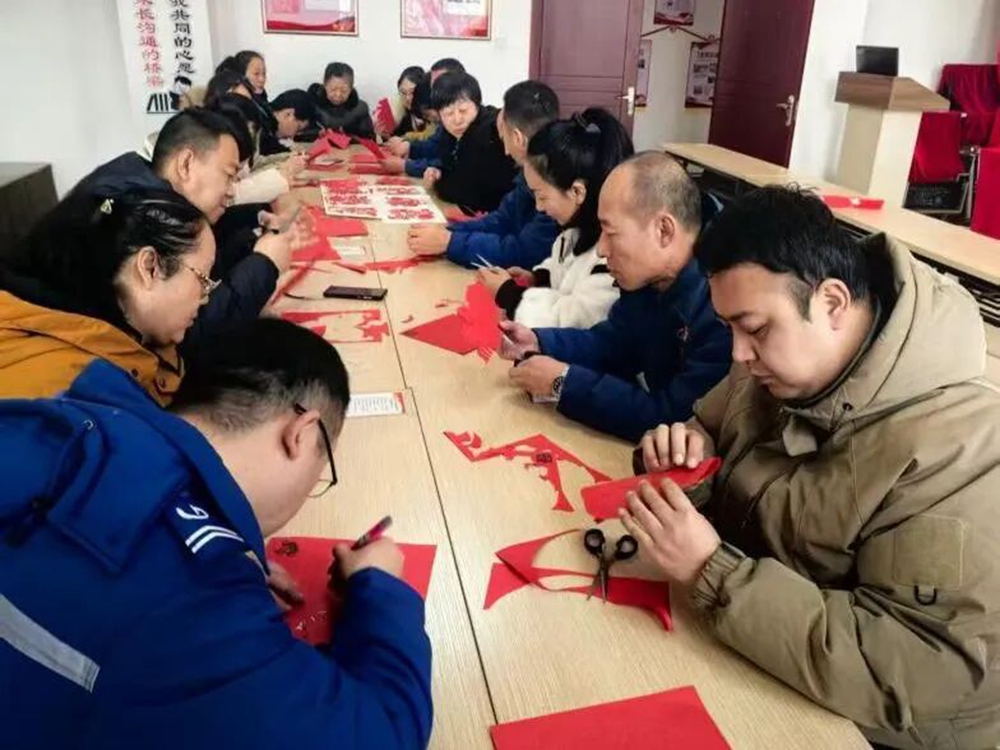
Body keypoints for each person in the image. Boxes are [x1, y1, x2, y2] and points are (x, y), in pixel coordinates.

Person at [619, 186, 1000, 750]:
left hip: (873, 728)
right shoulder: (779, 365)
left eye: (754, 329)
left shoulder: (962, 452)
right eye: (729, 328)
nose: (738, 354)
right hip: (760, 652)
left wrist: (712, 569)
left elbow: (905, 666)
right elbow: (709, 429)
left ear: (832, 303)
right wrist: (684, 453)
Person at [0, 318, 433, 750]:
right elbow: (384, 736)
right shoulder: (198, 604)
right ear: (300, 435)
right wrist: (380, 589)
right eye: (322, 471)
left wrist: (214, 549)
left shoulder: (62, 422)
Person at [499, 152, 731, 442]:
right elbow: (612, 343)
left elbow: (673, 418)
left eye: (611, 232)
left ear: (664, 230)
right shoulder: (649, 279)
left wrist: (563, 384)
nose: (601, 249)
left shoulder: (725, 305)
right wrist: (539, 341)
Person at [74, 108, 306, 359]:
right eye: (229, 176)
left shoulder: (144, 185)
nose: (232, 191)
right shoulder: (139, 217)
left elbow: (209, 264)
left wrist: (253, 234)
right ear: (185, 164)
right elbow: (187, 339)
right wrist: (264, 265)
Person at [0, 187, 212, 404]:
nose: (206, 297)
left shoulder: (128, 328)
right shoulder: (70, 392)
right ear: (150, 267)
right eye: (203, 278)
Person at [477, 108, 631, 329]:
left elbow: (573, 318)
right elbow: (564, 266)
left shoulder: (611, 255)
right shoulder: (577, 228)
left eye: (541, 196)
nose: (538, 207)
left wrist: (509, 295)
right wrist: (539, 277)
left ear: (577, 192)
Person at [406, 79, 560, 270]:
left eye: (503, 138)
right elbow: (503, 219)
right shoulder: (532, 168)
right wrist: (448, 232)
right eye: (448, 113)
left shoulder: (557, 181)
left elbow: (524, 253)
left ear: (518, 138)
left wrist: (450, 242)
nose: (506, 152)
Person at [421, 71, 517, 213]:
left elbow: (468, 193)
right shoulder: (449, 134)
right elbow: (452, 165)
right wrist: (438, 172)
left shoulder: (489, 132)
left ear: (477, 105)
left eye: (463, 110)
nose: (457, 119)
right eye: (448, 113)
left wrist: (439, 182)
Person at [384, 58, 465, 176]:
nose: (433, 94)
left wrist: (406, 166)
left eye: (439, 86)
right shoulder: (447, 118)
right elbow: (435, 146)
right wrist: (409, 147)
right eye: (433, 87)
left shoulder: (469, 120)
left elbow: (449, 164)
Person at [307, 62, 375, 140]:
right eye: (333, 89)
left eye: (344, 90)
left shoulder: (360, 109)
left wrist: (349, 136)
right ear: (325, 85)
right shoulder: (313, 102)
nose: (338, 94)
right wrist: (317, 133)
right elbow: (300, 132)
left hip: (350, 147)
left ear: (351, 88)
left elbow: (369, 139)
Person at [260, 88, 316, 155]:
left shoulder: (265, 120)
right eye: (298, 128)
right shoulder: (258, 127)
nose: (292, 136)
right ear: (288, 114)